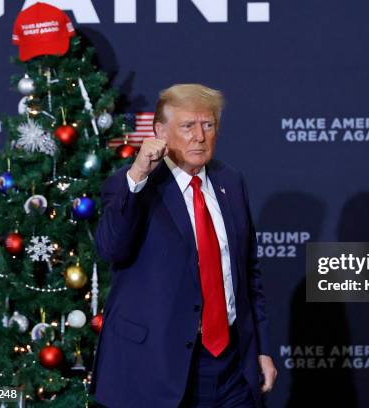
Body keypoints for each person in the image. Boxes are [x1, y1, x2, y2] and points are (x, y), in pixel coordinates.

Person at [90, 84, 277, 407]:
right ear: (160, 131)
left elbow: (248, 272)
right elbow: (110, 248)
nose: (200, 137)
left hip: (232, 366)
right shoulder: (134, 183)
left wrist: (260, 348)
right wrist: (137, 175)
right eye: (187, 126)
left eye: (208, 125)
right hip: (157, 367)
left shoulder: (230, 181)